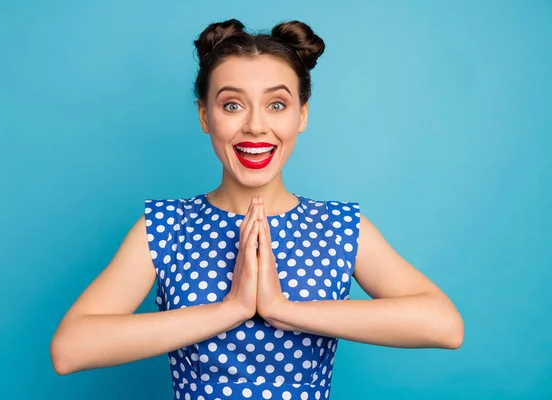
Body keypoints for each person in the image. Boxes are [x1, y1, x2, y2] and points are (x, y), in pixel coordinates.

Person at [50, 18, 464, 400]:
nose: (254, 126)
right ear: (204, 115)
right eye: (232, 105)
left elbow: (445, 325)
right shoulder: (165, 227)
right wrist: (231, 309)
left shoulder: (338, 227)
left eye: (277, 105)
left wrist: (283, 310)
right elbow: (70, 350)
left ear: (301, 115)